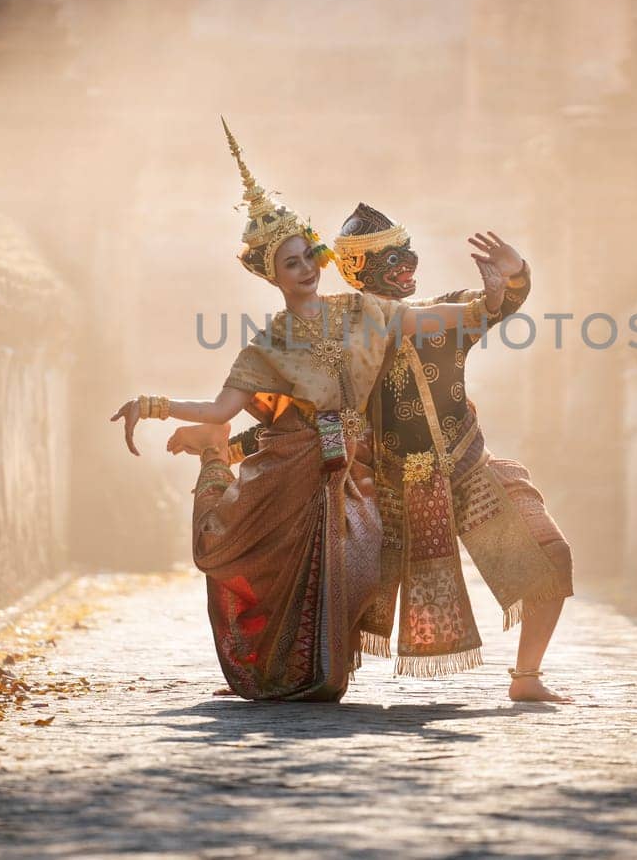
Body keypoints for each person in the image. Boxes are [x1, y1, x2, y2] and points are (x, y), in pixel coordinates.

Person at [109, 121, 494, 702]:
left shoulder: (363, 311)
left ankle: (318, 666)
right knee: (261, 567)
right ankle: (284, 671)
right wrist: (153, 404)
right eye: (290, 264)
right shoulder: (269, 343)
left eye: (308, 255)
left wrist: (490, 298)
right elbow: (222, 406)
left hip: (350, 469)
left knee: (359, 568)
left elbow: (425, 321)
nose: (306, 268)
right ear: (273, 275)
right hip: (291, 465)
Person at [175, 204, 574, 702]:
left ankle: (527, 677)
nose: (407, 266)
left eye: (408, 255)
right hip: (378, 488)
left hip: (466, 468)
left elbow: (492, 305)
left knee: (548, 553)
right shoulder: (340, 335)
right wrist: (228, 449)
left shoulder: (436, 315)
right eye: (391, 259)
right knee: (320, 587)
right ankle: (276, 671)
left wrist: (515, 275)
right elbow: (303, 422)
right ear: (356, 270)